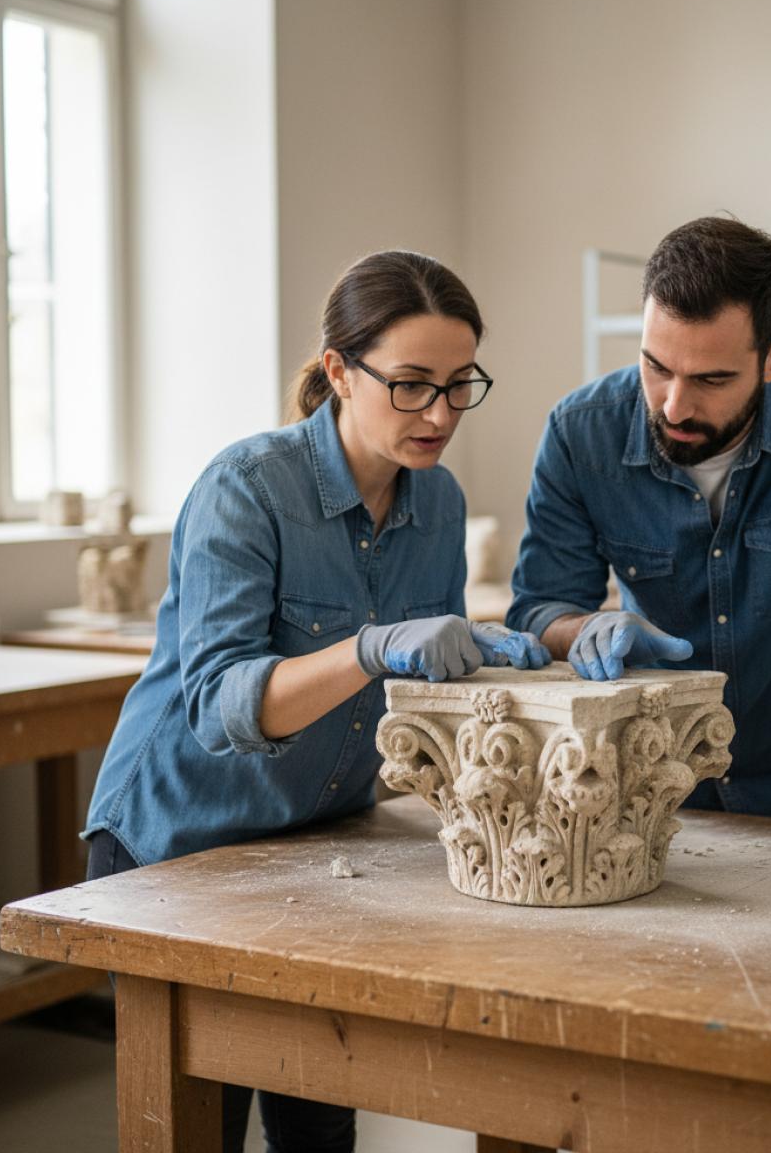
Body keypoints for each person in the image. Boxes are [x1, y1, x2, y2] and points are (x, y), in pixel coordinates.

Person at [83, 250, 549, 1153]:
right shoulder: (248, 488)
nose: (441, 415)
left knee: (319, 1125)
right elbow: (224, 705)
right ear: (339, 370)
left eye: (461, 386)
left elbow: (415, 694)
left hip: (310, 841)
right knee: (198, 1124)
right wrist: (370, 648)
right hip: (181, 847)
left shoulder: (441, 502)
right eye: (411, 386)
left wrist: (506, 670)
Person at [507, 216, 771, 888]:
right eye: (656, 366)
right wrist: (585, 629)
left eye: (711, 379)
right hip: (648, 792)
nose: (673, 405)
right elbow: (537, 610)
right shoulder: (579, 433)